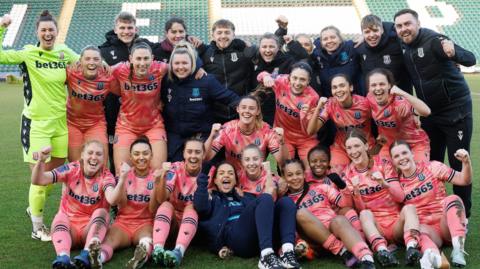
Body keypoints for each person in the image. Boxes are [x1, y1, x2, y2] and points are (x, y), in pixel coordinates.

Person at [0, 11, 79, 241]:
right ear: (37, 32)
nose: (47, 33)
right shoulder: (28, 53)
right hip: (36, 125)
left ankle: (34, 205)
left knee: (54, 173)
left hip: (61, 123)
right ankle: (37, 227)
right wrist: (1, 27)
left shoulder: (64, 52)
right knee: (40, 173)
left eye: (51, 30)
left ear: (56, 32)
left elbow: (88, 61)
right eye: (43, 30)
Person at [393, 8, 476, 217]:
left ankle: (462, 215)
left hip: (455, 112)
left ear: (418, 24)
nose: (404, 29)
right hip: (430, 114)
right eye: (399, 26)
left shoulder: (434, 41)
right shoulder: (402, 44)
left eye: (408, 24)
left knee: (457, 161)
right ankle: (435, 208)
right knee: (431, 161)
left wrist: (454, 52)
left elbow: (471, 59)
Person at [343, 129, 426, 267]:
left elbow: (400, 197)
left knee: (410, 208)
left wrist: (384, 184)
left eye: (357, 146)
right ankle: (382, 251)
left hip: (396, 223)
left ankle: (411, 247)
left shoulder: (383, 163)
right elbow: (361, 210)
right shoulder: (347, 173)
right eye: (349, 148)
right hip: (375, 227)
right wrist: (356, 193)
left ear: (366, 146)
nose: (353, 151)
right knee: (364, 213)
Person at [194, 161, 300, 269]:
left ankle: (287, 252)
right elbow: (200, 206)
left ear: (235, 180)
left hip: (259, 237)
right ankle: (266, 256)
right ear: (215, 180)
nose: (226, 175)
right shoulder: (213, 199)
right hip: (237, 239)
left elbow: (265, 211)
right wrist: (203, 181)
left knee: (286, 202)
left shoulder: (246, 197)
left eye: (230, 173)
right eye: (221, 173)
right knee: (265, 198)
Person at [30, 141, 116, 269]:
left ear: (104, 159)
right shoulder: (72, 168)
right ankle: (63, 257)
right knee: (60, 217)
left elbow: (112, 199)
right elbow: (39, 180)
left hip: (91, 230)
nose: (94, 157)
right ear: (82, 155)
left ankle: (88, 254)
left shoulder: (107, 176)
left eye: (99, 154)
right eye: (90, 153)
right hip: (69, 230)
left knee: (102, 213)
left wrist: (122, 180)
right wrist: (41, 161)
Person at [390, 141, 471, 268]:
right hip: (428, 232)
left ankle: (458, 250)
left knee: (453, 199)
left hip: (446, 226)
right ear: (393, 161)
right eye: (396, 156)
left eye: (404, 153)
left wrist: (466, 162)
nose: (402, 158)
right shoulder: (397, 185)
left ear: (412, 153)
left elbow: (464, 180)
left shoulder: (432, 167)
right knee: (418, 230)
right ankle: (433, 257)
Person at [284, 158, 376, 269]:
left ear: (304, 174)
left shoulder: (321, 188)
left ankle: (367, 260)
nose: (295, 178)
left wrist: (342, 185)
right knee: (301, 213)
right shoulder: (285, 201)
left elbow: (346, 204)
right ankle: (343, 251)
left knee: (340, 219)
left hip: (334, 230)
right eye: (290, 175)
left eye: (298, 173)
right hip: (313, 240)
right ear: (284, 178)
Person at [162, 41, 239, 161]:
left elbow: (231, 98)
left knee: (200, 177)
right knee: (175, 176)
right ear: (171, 64)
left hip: (200, 138)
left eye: (184, 63)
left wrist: (246, 113)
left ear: (192, 63)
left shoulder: (205, 80)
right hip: (175, 140)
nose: (180, 67)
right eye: (176, 63)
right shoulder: (166, 81)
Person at [99, 11, 156, 173]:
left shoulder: (145, 46)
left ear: (136, 29)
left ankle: (141, 193)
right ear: (115, 29)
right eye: (122, 28)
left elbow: (168, 51)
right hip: (113, 111)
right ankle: (115, 192)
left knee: (143, 156)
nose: (126, 31)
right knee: (115, 158)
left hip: (141, 113)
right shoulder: (103, 51)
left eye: (130, 27)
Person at [98, 137, 163, 269]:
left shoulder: (156, 177)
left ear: (151, 155)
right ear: (131, 156)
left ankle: (139, 258)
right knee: (109, 241)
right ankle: (98, 259)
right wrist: (122, 179)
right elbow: (120, 204)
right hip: (123, 223)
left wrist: (157, 184)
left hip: (145, 223)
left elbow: (153, 210)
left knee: (147, 240)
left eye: (145, 153)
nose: (141, 157)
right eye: (137, 153)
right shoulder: (124, 175)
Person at [110, 42, 168, 175]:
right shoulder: (120, 69)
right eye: (138, 59)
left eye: (146, 58)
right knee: (122, 174)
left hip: (154, 125)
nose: (142, 63)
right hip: (126, 126)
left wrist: (198, 67)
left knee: (158, 173)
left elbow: (180, 66)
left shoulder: (160, 68)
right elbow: (100, 69)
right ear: (130, 59)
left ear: (152, 58)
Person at [150, 138, 206, 267]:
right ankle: (158, 249)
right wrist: (163, 177)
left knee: (191, 207)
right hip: (171, 223)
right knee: (166, 204)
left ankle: (178, 252)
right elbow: (162, 198)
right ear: (184, 154)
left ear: (203, 155)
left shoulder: (209, 171)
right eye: (189, 151)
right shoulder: (175, 168)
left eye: (197, 152)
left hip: (195, 226)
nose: (193, 156)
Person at [256, 62, 319, 166]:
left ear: (308, 81)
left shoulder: (313, 98)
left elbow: (311, 129)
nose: (297, 83)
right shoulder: (281, 81)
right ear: (289, 77)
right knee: (285, 168)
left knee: (312, 169)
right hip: (283, 136)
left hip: (305, 139)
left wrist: (305, 116)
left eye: (302, 79)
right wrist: (266, 76)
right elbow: (260, 76)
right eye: (294, 78)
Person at [205, 96, 288, 174]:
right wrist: (211, 136)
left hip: (257, 179)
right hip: (235, 179)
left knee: (280, 185)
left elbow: (283, 162)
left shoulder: (266, 130)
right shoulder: (227, 129)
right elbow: (206, 157)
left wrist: (281, 142)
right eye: (243, 107)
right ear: (238, 109)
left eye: (251, 108)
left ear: (258, 111)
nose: (247, 111)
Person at [307, 74, 373, 171]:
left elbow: (382, 120)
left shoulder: (365, 103)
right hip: (341, 148)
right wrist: (318, 107)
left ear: (351, 87)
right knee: (337, 176)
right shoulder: (330, 104)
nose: (338, 90)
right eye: (334, 87)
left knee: (370, 175)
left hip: (366, 146)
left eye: (342, 86)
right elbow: (311, 131)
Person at [366, 68, 431, 162]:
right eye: (373, 85)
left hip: (414, 144)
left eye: (382, 84)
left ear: (389, 86)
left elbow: (426, 111)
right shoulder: (369, 98)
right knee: (379, 173)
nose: (378, 88)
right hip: (388, 145)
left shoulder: (398, 103)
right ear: (369, 88)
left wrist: (402, 93)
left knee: (416, 175)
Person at [66, 46, 118, 162]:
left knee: (100, 163)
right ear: (80, 60)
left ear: (101, 61)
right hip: (72, 123)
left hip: (96, 124)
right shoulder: (71, 72)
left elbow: (126, 91)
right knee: (76, 166)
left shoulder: (107, 76)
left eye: (96, 59)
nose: (91, 62)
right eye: (87, 59)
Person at [199, 19, 257, 122]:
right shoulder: (205, 53)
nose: (223, 36)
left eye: (227, 32)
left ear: (233, 35)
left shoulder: (243, 51)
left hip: (240, 111)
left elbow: (268, 51)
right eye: (219, 32)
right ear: (213, 35)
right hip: (214, 113)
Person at [250, 23, 309, 125]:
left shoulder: (287, 61)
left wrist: (291, 43)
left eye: (271, 47)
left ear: (278, 48)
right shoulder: (256, 61)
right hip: (260, 113)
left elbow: (304, 57)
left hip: (283, 113)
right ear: (259, 48)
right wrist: (263, 75)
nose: (267, 50)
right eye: (264, 47)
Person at [355, 14, 413, 94]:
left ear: (382, 30)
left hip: (401, 98)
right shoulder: (359, 49)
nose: (372, 35)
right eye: (367, 32)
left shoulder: (397, 41)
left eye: (375, 30)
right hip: (377, 100)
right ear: (362, 34)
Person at [312, 26, 363, 97]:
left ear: (340, 39)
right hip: (331, 102)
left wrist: (364, 37)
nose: (329, 41)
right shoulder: (317, 56)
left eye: (333, 37)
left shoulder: (352, 48)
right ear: (321, 42)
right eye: (325, 39)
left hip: (355, 101)